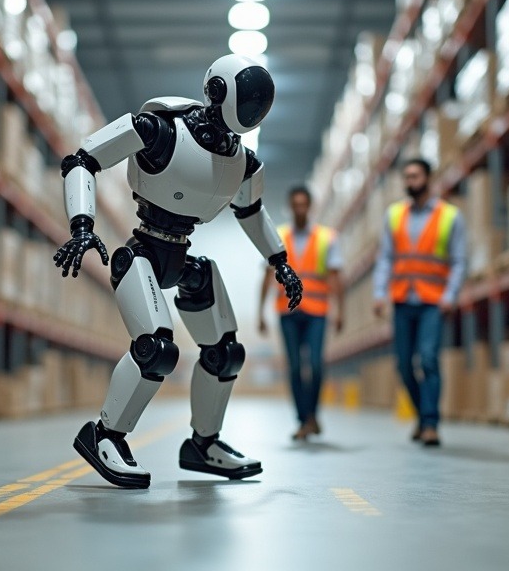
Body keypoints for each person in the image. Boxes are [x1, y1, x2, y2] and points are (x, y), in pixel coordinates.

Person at [54, 54, 304, 489]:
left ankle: (203, 445)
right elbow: (82, 160)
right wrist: (81, 225)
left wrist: (280, 261)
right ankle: (104, 434)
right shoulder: (162, 129)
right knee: (156, 349)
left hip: (183, 254)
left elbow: (252, 212)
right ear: (218, 92)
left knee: (225, 353)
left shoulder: (243, 162)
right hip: (142, 253)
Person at [371, 158, 465, 447]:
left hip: (433, 301)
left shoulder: (450, 216)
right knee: (403, 365)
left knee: (428, 359)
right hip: (402, 299)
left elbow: (460, 261)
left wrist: (450, 295)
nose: (409, 181)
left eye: (415, 176)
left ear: (428, 178)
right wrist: (379, 292)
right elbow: (386, 258)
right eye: (406, 177)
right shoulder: (394, 215)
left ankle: (431, 423)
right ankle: (421, 418)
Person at [258, 185, 344, 441]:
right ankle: (303, 419)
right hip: (287, 312)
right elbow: (266, 276)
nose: (300, 209)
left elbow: (336, 276)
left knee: (316, 366)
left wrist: (341, 309)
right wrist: (260, 313)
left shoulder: (327, 237)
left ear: (310, 207)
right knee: (295, 367)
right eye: (295, 204)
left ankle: (312, 415)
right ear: (290, 207)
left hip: (317, 311)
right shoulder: (277, 236)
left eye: (304, 204)